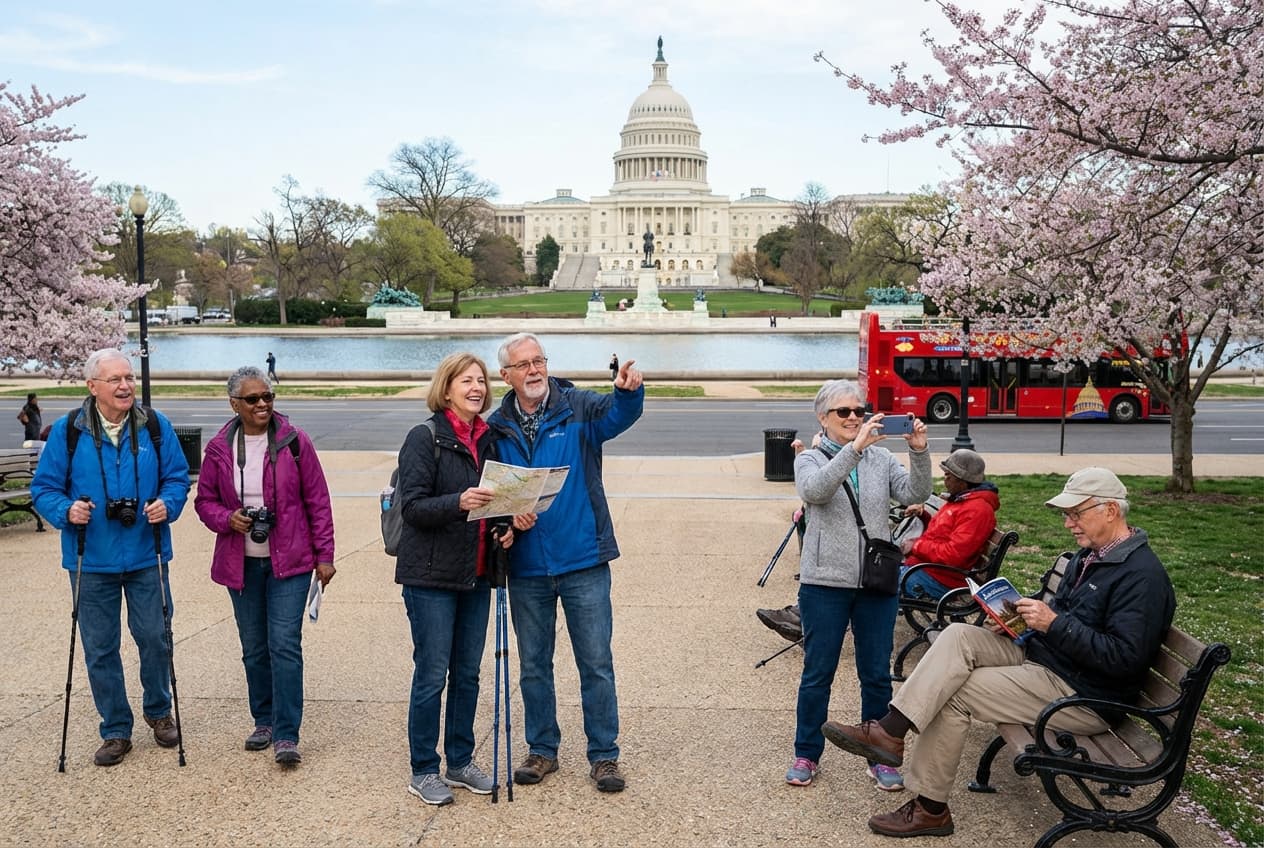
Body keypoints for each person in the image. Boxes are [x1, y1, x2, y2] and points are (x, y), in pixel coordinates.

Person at [822, 467, 1175, 839]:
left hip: (1083, 696)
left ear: (1110, 511)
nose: (1069, 523)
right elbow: (1071, 620)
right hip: (1049, 660)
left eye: (1076, 513)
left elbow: (1124, 659)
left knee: (955, 693)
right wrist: (1015, 621)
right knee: (958, 635)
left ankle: (931, 809)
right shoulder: (1090, 556)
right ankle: (890, 731)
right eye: (1066, 514)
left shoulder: (1142, 577)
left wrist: (1052, 624)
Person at [487, 332, 644, 793]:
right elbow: (491, 492)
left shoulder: (577, 406)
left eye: (540, 361)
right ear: (507, 375)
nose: (535, 370)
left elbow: (618, 417)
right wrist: (507, 517)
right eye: (524, 364)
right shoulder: (497, 427)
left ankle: (605, 755)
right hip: (528, 565)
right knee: (534, 664)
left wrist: (628, 392)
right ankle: (542, 749)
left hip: (583, 558)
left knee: (595, 661)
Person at [31, 348, 191, 767]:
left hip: (146, 553)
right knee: (100, 648)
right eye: (115, 380)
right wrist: (66, 510)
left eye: (129, 378)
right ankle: (116, 728)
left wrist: (166, 504)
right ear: (93, 386)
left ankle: (158, 711)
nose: (125, 386)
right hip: (91, 557)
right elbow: (44, 488)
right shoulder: (68, 431)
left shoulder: (155, 426)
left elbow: (177, 478)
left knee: (156, 638)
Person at [786, 380, 931, 794]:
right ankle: (806, 752)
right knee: (818, 673)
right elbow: (816, 491)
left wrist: (918, 451)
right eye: (843, 412)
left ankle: (879, 755)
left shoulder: (882, 458)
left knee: (875, 673)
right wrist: (855, 449)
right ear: (823, 418)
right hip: (824, 584)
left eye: (859, 411)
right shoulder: (809, 458)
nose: (854, 418)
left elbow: (916, 492)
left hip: (874, 581)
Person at [394, 353, 521, 806]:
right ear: (446, 388)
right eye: (466, 381)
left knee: (467, 673)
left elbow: (495, 502)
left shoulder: (488, 440)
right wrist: (459, 502)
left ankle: (460, 761)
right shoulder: (423, 437)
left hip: (478, 573)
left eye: (481, 381)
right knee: (432, 675)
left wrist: (505, 526)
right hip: (430, 577)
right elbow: (412, 508)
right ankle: (423, 769)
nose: (477, 388)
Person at [194, 366, 335, 766]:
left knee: (284, 645)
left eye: (268, 397)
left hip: (289, 561)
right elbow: (204, 502)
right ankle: (264, 720)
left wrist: (324, 555)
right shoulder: (221, 447)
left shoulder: (294, 441)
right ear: (234, 403)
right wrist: (227, 519)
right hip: (241, 564)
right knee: (254, 648)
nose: (262, 405)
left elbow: (318, 501)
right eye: (253, 399)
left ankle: (287, 734)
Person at [899, 449, 999, 600]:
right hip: (926, 569)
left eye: (948, 476)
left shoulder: (977, 510)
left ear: (962, 480)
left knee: (876, 583)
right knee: (873, 570)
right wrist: (924, 516)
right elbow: (944, 532)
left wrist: (916, 546)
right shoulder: (962, 500)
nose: (945, 480)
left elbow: (953, 556)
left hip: (941, 580)